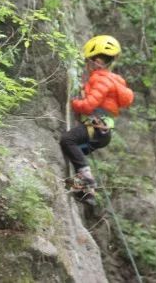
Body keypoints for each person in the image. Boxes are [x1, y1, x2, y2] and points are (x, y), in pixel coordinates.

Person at [60, 35, 134, 204]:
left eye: (89, 61)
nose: (87, 65)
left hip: (95, 128)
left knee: (67, 140)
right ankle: (87, 193)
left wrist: (74, 102)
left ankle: (87, 181)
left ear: (98, 61)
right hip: (102, 133)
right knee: (75, 154)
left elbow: (88, 105)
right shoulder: (113, 81)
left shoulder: (101, 79)